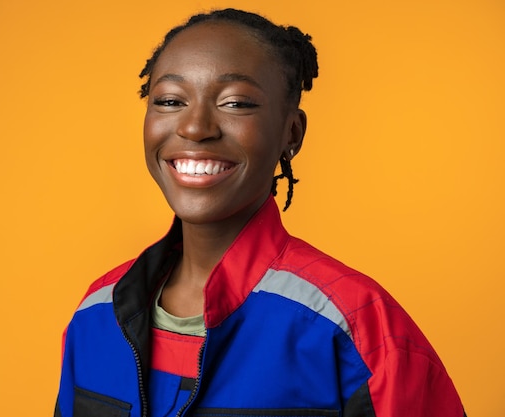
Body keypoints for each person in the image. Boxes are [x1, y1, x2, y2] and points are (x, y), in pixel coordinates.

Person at [54, 8, 466, 417]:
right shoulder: (97, 315)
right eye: (169, 100)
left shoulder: (354, 327)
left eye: (235, 103)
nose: (196, 127)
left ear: (292, 133)